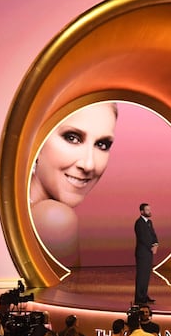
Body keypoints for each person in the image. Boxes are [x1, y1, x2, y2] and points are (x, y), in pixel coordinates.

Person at [29, 103, 118, 262]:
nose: (89, 164)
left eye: (102, 144)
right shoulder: (54, 218)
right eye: (72, 138)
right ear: (36, 139)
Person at [134, 202, 159, 304]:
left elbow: (153, 235)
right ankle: (139, 297)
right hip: (142, 253)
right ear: (142, 211)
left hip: (148, 253)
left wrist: (156, 244)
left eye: (150, 210)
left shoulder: (149, 222)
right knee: (141, 276)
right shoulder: (139, 223)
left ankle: (144, 295)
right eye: (147, 210)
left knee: (146, 275)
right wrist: (151, 247)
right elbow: (143, 238)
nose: (149, 211)